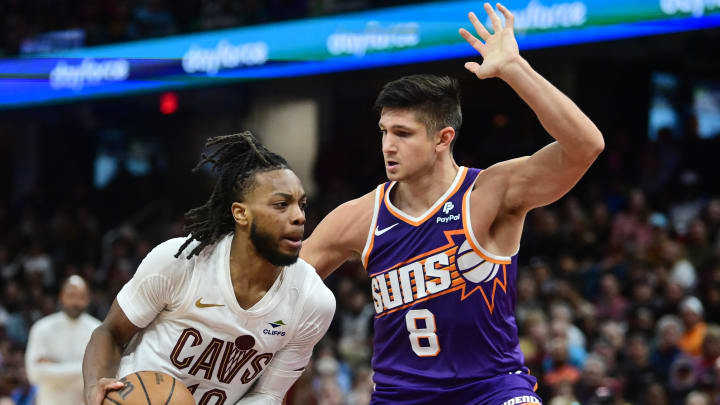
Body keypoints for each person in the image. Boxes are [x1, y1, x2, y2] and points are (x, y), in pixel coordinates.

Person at [300, 2, 604, 404]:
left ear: (443, 139)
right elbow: (283, 290)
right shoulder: (357, 217)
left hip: (492, 388)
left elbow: (586, 146)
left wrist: (515, 68)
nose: (388, 146)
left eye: (403, 134)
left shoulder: (490, 192)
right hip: (400, 396)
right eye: (384, 131)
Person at [83, 133, 335, 405]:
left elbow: (267, 394)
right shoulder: (180, 261)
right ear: (241, 213)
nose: (299, 216)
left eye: (302, 204)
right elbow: (110, 332)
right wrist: (95, 384)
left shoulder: (313, 302)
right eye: (281, 205)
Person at [25, 275, 101, 405]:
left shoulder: (97, 331)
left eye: (81, 297)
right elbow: (34, 374)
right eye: (71, 296)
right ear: (61, 296)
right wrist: (82, 368)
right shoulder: (42, 328)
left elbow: (99, 375)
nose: (75, 302)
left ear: (88, 299)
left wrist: (53, 367)